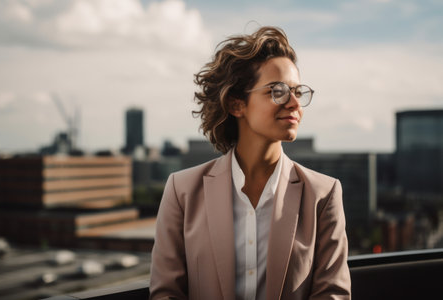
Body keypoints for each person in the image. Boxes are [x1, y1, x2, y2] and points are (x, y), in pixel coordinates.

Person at [149, 26, 351, 300]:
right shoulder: (182, 191)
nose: (294, 103)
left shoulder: (323, 195)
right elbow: (166, 294)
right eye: (277, 91)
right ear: (236, 105)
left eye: (298, 92)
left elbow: (333, 294)